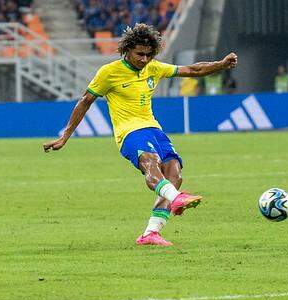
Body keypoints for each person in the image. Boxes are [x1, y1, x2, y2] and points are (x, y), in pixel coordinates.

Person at [43, 23, 238, 246]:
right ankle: (177, 198)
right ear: (127, 49)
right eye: (139, 54)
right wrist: (65, 135)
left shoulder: (153, 68)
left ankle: (150, 233)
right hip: (128, 132)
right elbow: (85, 100)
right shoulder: (109, 72)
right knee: (151, 162)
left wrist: (221, 65)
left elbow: (193, 70)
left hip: (153, 128)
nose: (144, 59)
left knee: (175, 172)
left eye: (148, 54)